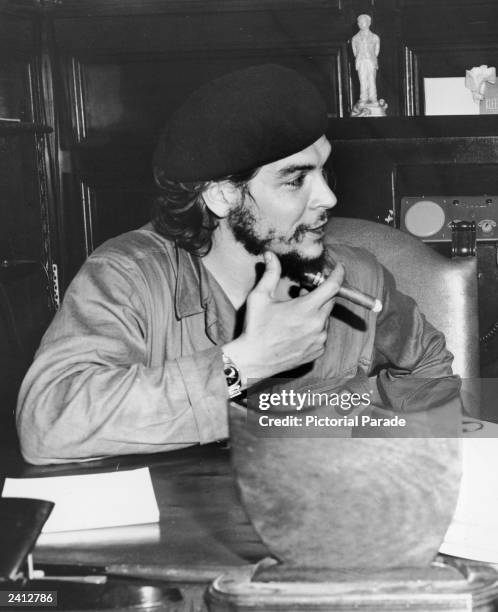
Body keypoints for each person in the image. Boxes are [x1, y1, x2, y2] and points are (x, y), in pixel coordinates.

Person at [16, 64, 460, 464]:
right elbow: (48, 425)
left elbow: (428, 369)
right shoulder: (128, 276)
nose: (328, 197)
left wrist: (387, 451)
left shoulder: (357, 277)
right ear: (223, 194)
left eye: (324, 171)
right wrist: (244, 364)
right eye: (295, 179)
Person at [352, 14, 380, 105]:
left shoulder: (375, 37)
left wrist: (371, 58)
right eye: (359, 22)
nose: (360, 24)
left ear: (369, 23)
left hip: (371, 61)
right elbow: (355, 51)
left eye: (362, 22)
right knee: (362, 80)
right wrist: (360, 58)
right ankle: (363, 98)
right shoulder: (355, 38)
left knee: (372, 79)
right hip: (361, 61)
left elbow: (377, 51)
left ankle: (373, 98)